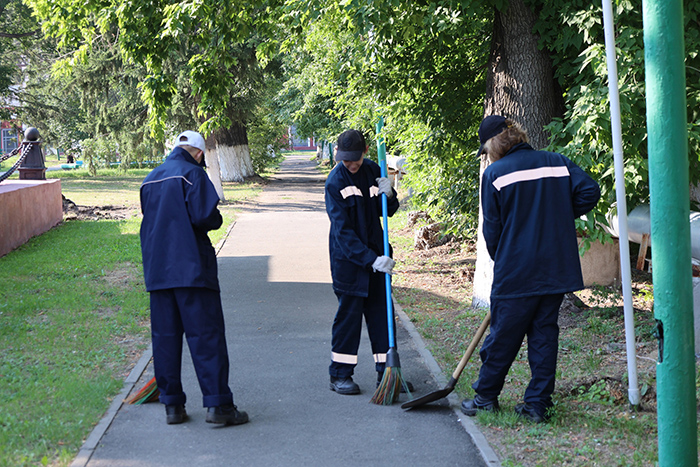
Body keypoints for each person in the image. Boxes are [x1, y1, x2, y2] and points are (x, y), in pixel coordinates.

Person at [461, 115, 600, 423]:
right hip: (555, 268)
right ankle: (537, 405)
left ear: (495, 143)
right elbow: (590, 190)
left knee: (503, 336)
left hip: (517, 270)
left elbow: (492, 231)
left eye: (486, 149)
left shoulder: (495, 173)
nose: (488, 156)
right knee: (544, 336)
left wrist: (505, 258)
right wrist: (559, 214)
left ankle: (485, 398)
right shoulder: (556, 161)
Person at [139, 130, 248, 426]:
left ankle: (172, 406)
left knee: (165, 339)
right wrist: (217, 218)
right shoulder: (192, 175)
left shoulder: (150, 178)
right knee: (206, 337)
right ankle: (218, 406)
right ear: (199, 153)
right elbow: (204, 217)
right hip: (192, 270)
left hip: (158, 271)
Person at [324, 129, 399, 395]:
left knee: (381, 316)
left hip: (378, 255)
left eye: (354, 159)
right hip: (350, 262)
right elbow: (343, 233)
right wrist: (371, 260)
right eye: (345, 160)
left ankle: (388, 374)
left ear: (364, 151)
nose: (350, 164)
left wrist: (390, 194)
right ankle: (340, 375)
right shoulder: (335, 182)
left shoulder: (373, 170)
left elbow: (387, 211)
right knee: (349, 319)